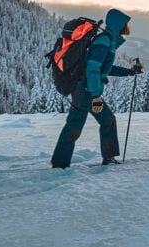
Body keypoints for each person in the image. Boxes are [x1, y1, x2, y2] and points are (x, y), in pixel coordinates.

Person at [51, 9, 143, 168]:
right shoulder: (104, 41)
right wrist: (95, 95)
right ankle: (60, 164)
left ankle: (108, 157)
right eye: (125, 23)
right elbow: (92, 69)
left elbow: (104, 69)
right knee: (75, 126)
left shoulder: (108, 41)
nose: (127, 26)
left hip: (88, 90)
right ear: (118, 24)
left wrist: (129, 72)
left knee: (107, 120)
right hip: (84, 91)